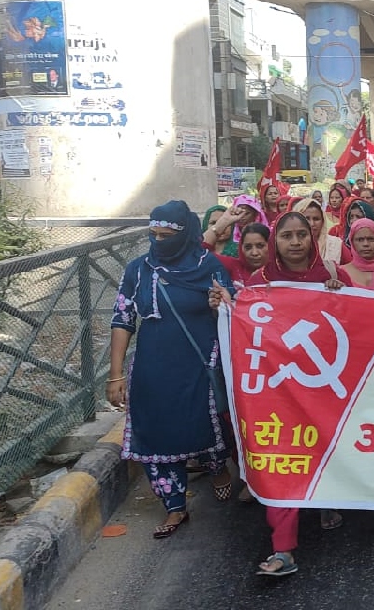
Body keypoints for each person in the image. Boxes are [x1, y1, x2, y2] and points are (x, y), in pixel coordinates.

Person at [215, 211, 346, 576]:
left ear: (311, 237)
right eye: (286, 236)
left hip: (322, 390)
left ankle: (326, 499)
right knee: (283, 456)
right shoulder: (260, 282)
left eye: (301, 235)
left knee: (322, 447)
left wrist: (339, 296)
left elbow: (358, 324)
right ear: (277, 241)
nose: (295, 242)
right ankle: (283, 549)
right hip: (277, 390)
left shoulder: (334, 276)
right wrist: (227, 306)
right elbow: (249, 325)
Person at [107, 200, 233, 539]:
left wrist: (219, 305)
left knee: (202, 424)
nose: (159, 242)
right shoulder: (138, 269)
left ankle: (217, 466)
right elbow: (122, 319)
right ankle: (174, 504)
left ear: (185, 233)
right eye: (154, 235)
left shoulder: (210, 266)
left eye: (167, 236)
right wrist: (115, 374)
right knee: (154, 433)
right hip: (152, 365)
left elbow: (234, 310)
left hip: (199, 361)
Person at [294, 198, 348, 263]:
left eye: (316, 219)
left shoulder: (336, 245)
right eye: (307, 218)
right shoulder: (290, 246)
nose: (312, 224)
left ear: (323, 221)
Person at [217, 223, 270, 287]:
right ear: (241, 247)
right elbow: (203, 252)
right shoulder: (233, 266)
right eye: (248, 247)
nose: (254, 253)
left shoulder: (280, 272)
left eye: (260, 246)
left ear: (271, 245)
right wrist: (225, 220)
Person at [341, 218, 374, 289]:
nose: (365, 244)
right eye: (360, 240)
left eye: (371, 239)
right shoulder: (340, 273)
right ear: (352, 243)